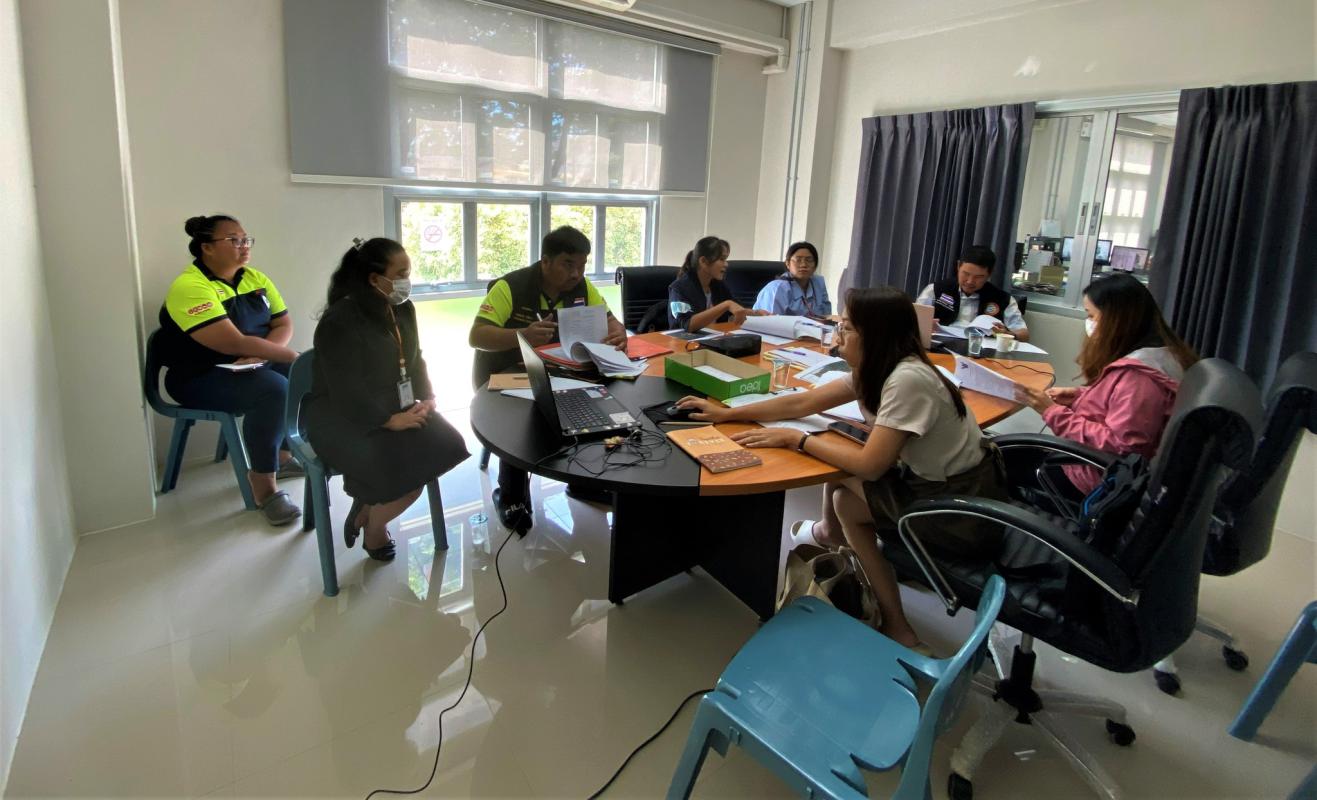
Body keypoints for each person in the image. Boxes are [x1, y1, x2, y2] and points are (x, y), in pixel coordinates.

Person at [675, 287, 1007, 649]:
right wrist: (728, 413)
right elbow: (802, 402)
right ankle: (873, 592)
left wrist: (797, 439)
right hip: (939, 487)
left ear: (875, 335)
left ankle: (855, 569)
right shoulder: (880, 368)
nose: (837, 336)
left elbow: (870, 467)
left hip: (960, 510)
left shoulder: (907, 380)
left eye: (846, 328)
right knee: (843, 485)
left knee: (843, 473)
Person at [305, 237, 469, 561]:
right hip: (342, 415)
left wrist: (427, 396)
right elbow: (345, 388)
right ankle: (374, 527)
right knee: (406, 472)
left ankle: (369, 506)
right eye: (401, 274)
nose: (408, 281)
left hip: (394, 404)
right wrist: (387, 420)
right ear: (374, 279)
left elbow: (415, 359)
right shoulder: (339, 320)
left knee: (447, 444)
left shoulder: (402, 309)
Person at [468, 225, 626, 534]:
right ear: (545, 261)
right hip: (504, 374)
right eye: (568, 264)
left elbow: (610, 320)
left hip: (557, 370)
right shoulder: (511, 286)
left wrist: (618, 332)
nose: (576, 274)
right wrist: (522, 335)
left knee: (596, 403)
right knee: (523, 418)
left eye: (581, 265)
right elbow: (477, 336)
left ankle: (583, 481)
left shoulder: (582, 287)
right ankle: (511, 496)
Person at [157, 214, 303, 525]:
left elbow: (282, 324)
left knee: (297, 376)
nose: (244, 245)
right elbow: (231, 343)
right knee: (275, 389)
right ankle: (263, 485)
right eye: (234, 240)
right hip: (197, 376)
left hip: (248, 365)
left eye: (245, 239)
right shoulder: (190, 286)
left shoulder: (255, 278)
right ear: (207, 248)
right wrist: (288, 355)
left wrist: (265, 355)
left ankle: (282, 457)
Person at [1015, 272, 1197, 494]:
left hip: (1094, 479)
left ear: (1117, 320)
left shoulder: (1139, 378)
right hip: (1095, 467)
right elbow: (1120, 406)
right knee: (1017, 450)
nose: (1088, 323)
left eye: (1091, 315)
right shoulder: (1164, 354)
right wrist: (1079, 396)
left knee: (997, 460)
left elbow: (1123, 446)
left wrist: (1052, 412)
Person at [917, 245, 1029, 340]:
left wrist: (1008, 334)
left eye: (979, 277)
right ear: (958, 266)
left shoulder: (1003, 299)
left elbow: (1024, 334)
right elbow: (912, 320)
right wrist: (923, 326)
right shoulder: (935, 290)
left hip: (982, 351)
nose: (970, 281)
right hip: (940, 346)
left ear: (989, 275)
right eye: (966, 273)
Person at [667, 236, 769, 331]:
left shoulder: (717, 285)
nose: (726, 264)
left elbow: (736, 309)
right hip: (682, 341)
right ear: (703, 261)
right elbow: (687, 324)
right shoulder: (679, 288)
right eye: (721, 259)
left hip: (712, 338)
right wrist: (726, 305)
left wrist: (756, 313)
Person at [752, 241, 832, 317]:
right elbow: (770, 322)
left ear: (815, 265)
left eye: (809, 260)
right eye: (798, 260)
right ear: (787, 263)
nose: (804, 265)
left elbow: (826, 317)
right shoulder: (777, 288)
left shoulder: (818, 283)